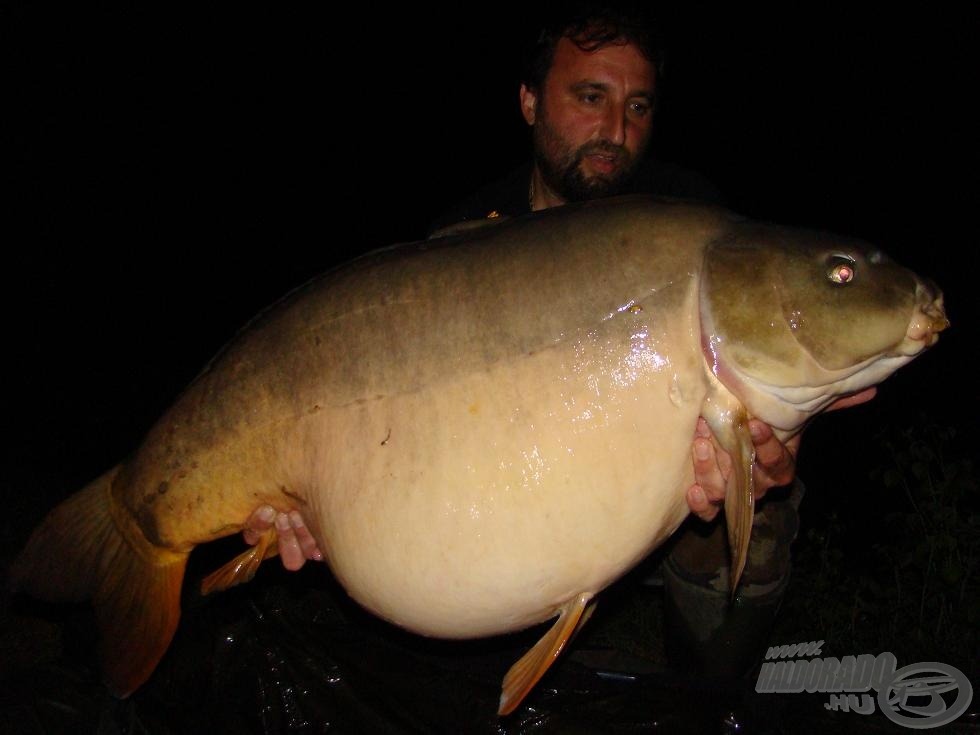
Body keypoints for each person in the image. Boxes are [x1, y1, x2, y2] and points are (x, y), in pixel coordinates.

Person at [244, 1, 875, 687]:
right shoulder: (463, 231)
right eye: (590, 97)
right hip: (512, 486)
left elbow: (751, 402)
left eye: (638, 106)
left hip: (653, 499)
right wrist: (318, 507)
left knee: (764, 514)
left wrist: (769, 464)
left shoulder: (684, 210)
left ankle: (706, 691)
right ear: (528, 102)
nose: (615, 129)